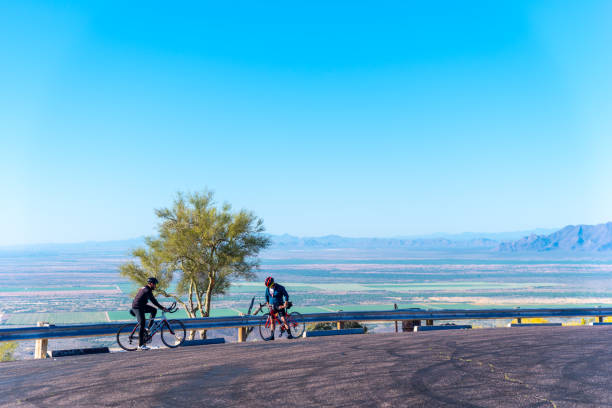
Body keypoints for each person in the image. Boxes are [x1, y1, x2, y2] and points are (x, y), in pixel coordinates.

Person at [131, 277, 167, 351]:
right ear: (151, 284)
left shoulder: (145, 288)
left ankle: (148, 328)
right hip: (137, 307)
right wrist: (162, 308)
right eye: (155, 284)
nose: (155, 286)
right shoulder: (147, 290)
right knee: (142, 324)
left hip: (141, 306)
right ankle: (140, 345)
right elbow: (154, 301)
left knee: (154, 310)